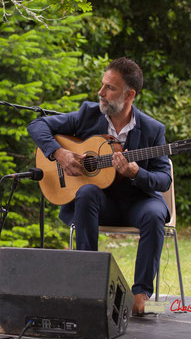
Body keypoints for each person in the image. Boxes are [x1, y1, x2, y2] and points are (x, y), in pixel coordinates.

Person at [27, 57, 171, 316]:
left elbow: (163, 179)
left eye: (109, 88)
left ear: (130, 95)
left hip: (137, 202)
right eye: (102, 85)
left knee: (153, 213)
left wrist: (137, 173)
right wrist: (59, 153)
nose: (100, 93)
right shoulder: (88, 114)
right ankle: (88, 285)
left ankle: (141, 296)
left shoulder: (152, 129)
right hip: (98, 204)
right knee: (87, 191)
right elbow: (37, 125)